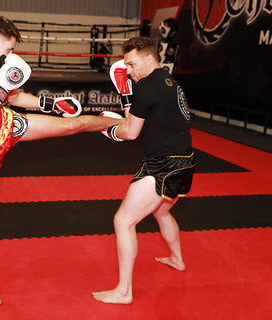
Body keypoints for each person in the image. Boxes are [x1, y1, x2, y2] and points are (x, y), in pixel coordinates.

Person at [0, 16, 122, 306]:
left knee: (69, 126)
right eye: (8, 50)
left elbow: (16, 95)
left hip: (7, 125)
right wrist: (0, 87)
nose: (10, 57)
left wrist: (51, 104)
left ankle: (117, 126)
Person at [92, 36, 196, 304]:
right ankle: (177, 259)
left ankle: (124, 291)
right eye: (126, 65)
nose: (128, 70)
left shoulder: (146, 87)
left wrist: (106, 128)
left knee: (123, 221)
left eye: (131, 63)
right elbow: (155, 119)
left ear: (149, 58)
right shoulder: (171, 83)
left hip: (163, 166)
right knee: (161, 211)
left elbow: (130, 132)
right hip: (186, 161)